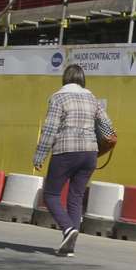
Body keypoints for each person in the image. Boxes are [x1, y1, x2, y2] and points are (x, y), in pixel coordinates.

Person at [32, 64, 116, 257]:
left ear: (64, 78)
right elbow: (108, 126)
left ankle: (68, 228)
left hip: (66, 151)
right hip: (89, 154)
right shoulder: (92, 98)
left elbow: (50, 129)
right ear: (83, 79)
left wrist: (39, 155)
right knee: (75, 198)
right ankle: (69, 246)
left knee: (51, 195)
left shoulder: (58, 98)